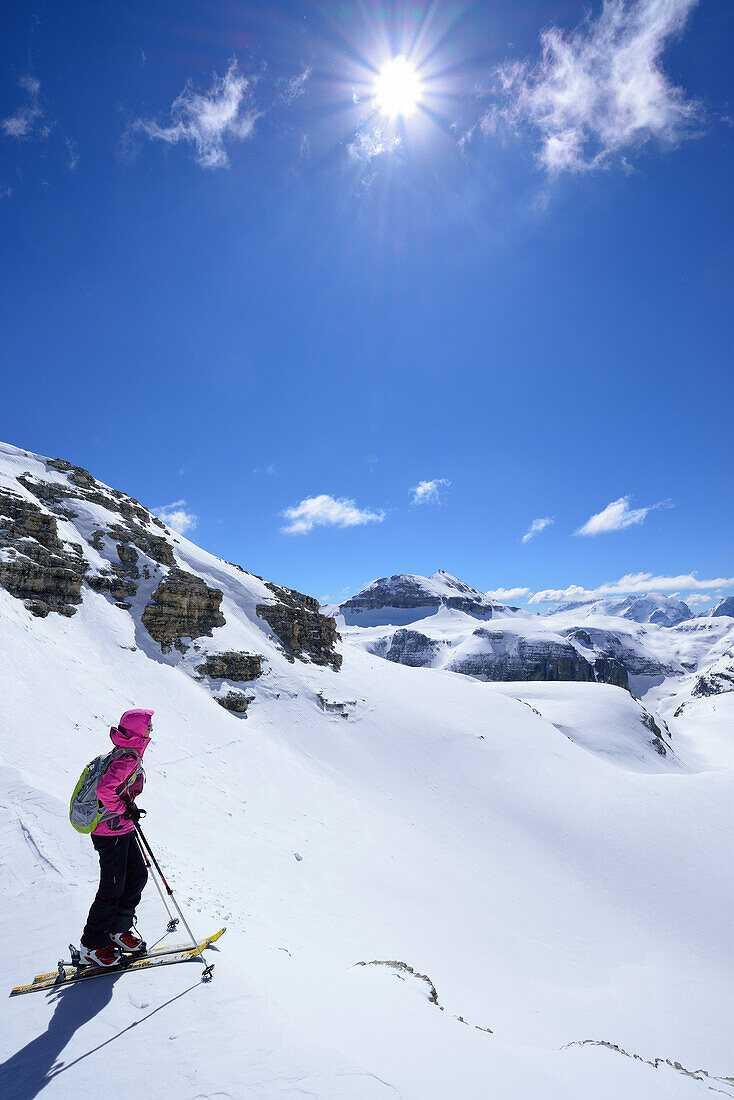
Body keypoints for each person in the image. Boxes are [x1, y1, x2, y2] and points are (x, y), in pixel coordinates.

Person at [79, 708, 154, 967]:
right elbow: (104, 790)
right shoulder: (127, 757)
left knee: (137, 876)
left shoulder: (127, 752)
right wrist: (125, 808)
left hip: (121, 828)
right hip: (109, 831)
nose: (151, 730)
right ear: (137, 731)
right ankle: (91, 946)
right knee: (111, 887)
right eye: (148, 725)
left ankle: (117, 931)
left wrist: (126, 809)